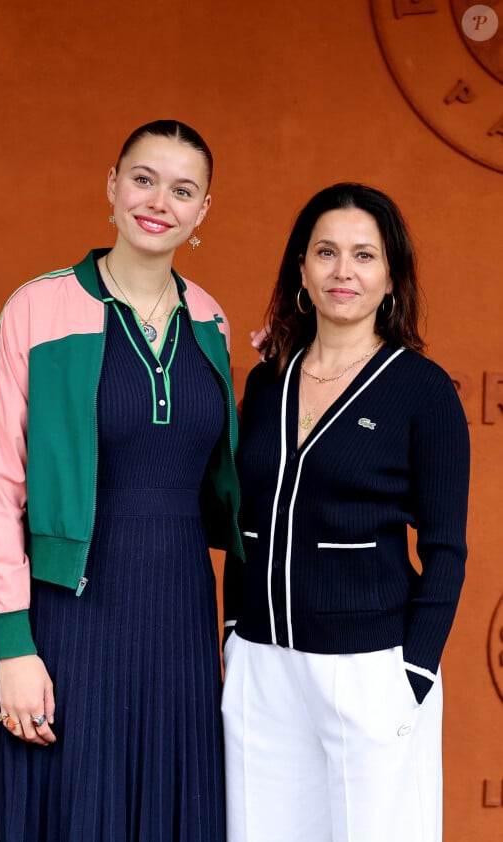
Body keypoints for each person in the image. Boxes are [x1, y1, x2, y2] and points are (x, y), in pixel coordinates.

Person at [0, 119, 244, 842]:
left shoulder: (212, 318)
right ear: (113, 187)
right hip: (70, 614)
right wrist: (13, 646)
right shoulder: (38, 307)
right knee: (73, 809)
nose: (160, 201)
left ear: (203, 212)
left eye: (183, 190)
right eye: (144, 179)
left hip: (182, 613)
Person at [221, 183, 470, 842]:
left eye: (364, 255)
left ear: (391, 276)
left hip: (370, 669)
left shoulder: (422, 389)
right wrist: (230, 631)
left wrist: (413, 672)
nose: (343, 271)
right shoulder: (266, 380)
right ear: (301, 268)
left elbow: (446, 548)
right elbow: (247, 519)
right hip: (260, 666)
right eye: (326, 252)